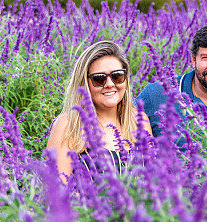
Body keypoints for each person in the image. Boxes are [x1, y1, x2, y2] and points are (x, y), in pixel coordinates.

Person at [47, 40, 151, 180]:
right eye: (99, 79)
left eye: (117, 76)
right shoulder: (68, 125)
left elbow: (152, 180)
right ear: (84, 83)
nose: (109, 84)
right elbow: (57, 190)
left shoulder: (139, 120)